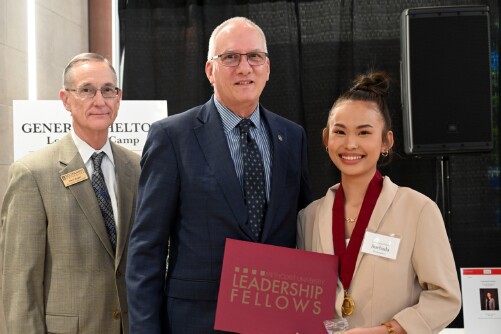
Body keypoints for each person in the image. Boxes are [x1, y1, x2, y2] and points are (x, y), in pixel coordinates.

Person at [126, 16, 313, 333]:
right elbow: (146, 249)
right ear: (210, 70)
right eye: (230, 57)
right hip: (196, 322)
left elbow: (304, 228)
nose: (244, 68)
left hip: (275, 321)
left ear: (267, 67)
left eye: (255, 56)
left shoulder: (291, 137)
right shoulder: (172, 137)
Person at [297, 71, 461, 333]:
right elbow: (302, 297)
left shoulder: (418, 210)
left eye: (364, 133)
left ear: (386, 141)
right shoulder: (309, 217)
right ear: (326, 139)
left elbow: (445, 297)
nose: (350, 144)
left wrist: (387, 330)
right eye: (340, 132)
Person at [0, 53, 140, 334]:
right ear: (66, 100)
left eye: (108, 90)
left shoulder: (138, 167)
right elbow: (20, 283)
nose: (100, 101)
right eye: (86, 90)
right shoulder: (32, 173)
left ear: (119, 98)